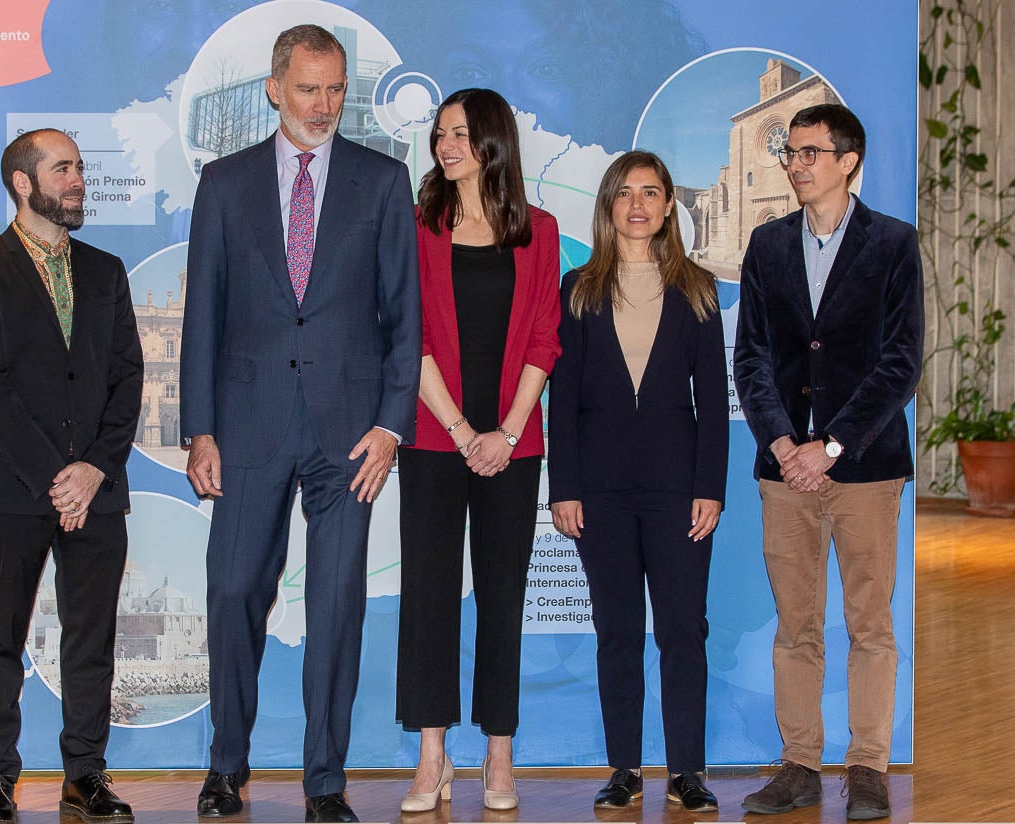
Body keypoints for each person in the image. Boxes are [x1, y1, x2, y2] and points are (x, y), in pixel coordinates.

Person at [180, 23, 421, 824]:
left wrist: (391, 425)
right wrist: (199, 428)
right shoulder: (223, 182)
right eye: (310, 88)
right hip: (245, 425)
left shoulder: (384, 181)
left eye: (337, 89)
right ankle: (226, 767)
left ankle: (324, 782)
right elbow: (202, 315)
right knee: (231, 590)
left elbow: (402, 317)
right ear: (274, 89)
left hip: (349, 434)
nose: (324, 105)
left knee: (337, 604)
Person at [0, 128, 144, 824]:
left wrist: (92, 469)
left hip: (99, 489)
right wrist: (55, 478)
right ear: (22, 183)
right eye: (63, 169)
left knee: (89, 639)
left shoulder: (105, 270)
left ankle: (84, 775)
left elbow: (128, 379)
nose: (79, 181)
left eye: (81, 169)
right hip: (10, 488)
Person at [733, 104, 922, 821]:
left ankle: (867, 768)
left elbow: (900, 362)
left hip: (866, 469)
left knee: (868, 624)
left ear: (849, 161)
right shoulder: (766, 244)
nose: (795, 164)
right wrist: (784, 444)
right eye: (791, 152)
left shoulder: (893, 244)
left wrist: (831, 445)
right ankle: (799, 766)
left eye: (811, 152)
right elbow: (749, 355)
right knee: (795, 626)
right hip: (782, 470)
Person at [394, 87, 560, 814]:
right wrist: (463, 432)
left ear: (492, 141)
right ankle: (433, 755)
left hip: (514, 447)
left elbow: (543, 338)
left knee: (501, 599)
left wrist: (509, 432)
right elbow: (409, 339)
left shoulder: (541, 230)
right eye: (439, 133)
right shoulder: (416, 228)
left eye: (459, 133)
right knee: (429, 597)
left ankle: (499, 753)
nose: (445, 145)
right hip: (435, 439)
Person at [548, 150, 728, 813]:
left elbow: (713, 402)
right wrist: (562, 487)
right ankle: (623, 767)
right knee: (616, 632)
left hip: (679, 490)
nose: (637, 205)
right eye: (624, 193)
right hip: (597, 491)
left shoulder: (697, 289)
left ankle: (686, 773)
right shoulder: (577, 289)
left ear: (667, 206)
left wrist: (710, 488)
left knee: (683, 630)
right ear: (607, 206)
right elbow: (559, 400)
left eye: (650, 193)